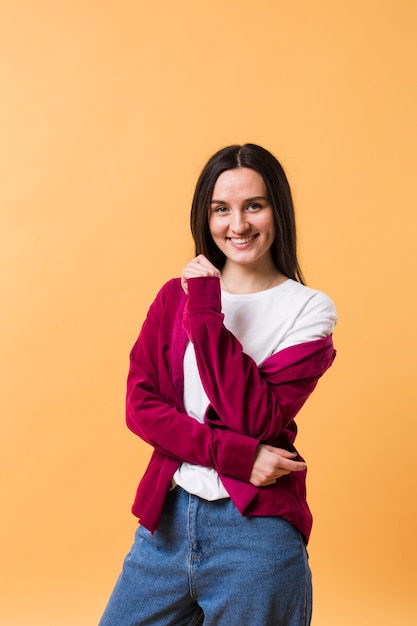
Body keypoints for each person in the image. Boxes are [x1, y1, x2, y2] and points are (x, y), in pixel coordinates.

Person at [99, 143, 337, 626]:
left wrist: (207, 309)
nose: (238, 225)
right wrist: (238, 456)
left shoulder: (309, 310)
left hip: (255, 533)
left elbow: (255, 417)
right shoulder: (174, 296)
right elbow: (141, 408)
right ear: (204, 217)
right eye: (221, 209)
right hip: (165, 522)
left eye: (254, 205)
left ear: (278, 210)